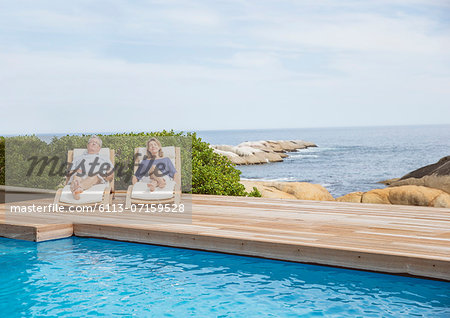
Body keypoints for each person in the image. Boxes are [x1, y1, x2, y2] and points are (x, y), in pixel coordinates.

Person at [68, 135, 114, 200]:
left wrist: (107, 175)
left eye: (96, 142)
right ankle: (77, 188)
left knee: (94, 176)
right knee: (76, 176)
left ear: (99, 148)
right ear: (87, 145)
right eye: (91, 142)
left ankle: (77, 189)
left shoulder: (104, 158)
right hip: (80, 175)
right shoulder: (78, 158)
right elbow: (70, 173)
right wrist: (75, 170)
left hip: (95, 177)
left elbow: (111, 174)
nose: (93, 143)